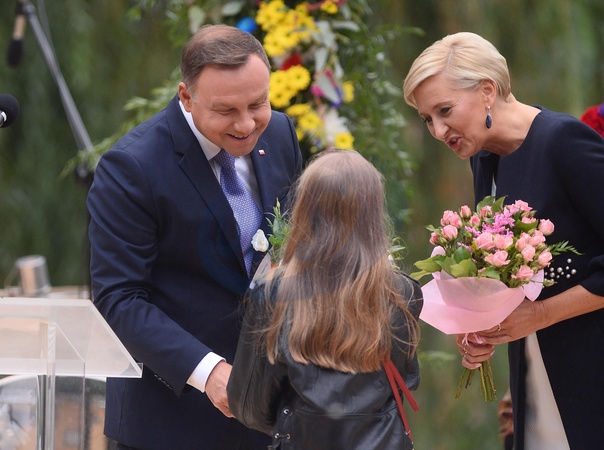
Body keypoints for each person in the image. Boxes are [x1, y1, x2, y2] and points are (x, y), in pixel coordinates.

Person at [87, 24, 302, 450]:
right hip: (170, 422)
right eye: (226, 111)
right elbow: (119, 298)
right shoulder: (132, 167)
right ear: (186, 97)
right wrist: (209, 373)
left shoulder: (279, 133)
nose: (247, 124)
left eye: (257, 103)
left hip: (271, 416)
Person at [403, 31, 604, 450]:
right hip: (532, 372)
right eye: (427, 119)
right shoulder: (484, 158)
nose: (438, 130)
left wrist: (541, 314)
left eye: (444, 110)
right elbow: (510, 275)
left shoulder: (563, 141)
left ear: (487, 90)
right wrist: (479, 324)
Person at [227, 150, 423, 450]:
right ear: (373, 213)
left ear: (304, 208)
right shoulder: (401, 292)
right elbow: (404, 382)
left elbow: (248, 405)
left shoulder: (275, 294)